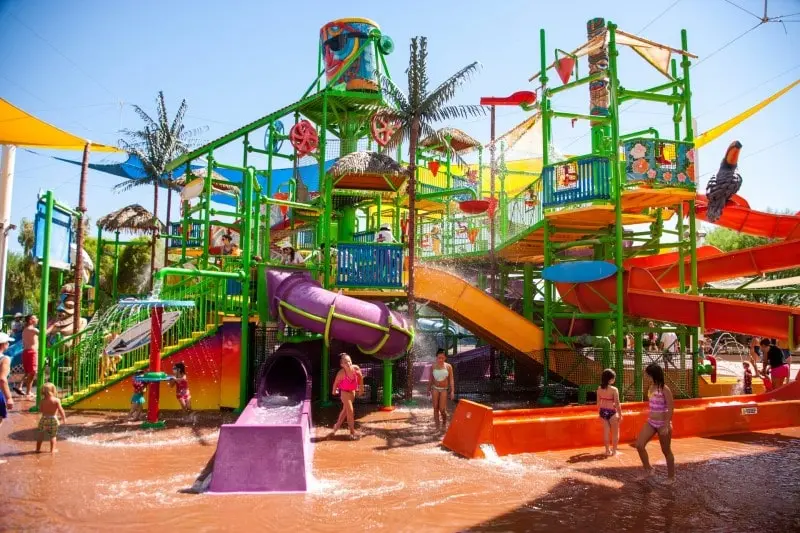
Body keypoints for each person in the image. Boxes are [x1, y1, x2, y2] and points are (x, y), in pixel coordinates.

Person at [636, 363, 675, 482]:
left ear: (653, 375)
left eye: (648, 374)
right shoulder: (651, 387)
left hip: (663, 423)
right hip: (651, 422)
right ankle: (648, 469)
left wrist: (667, 424)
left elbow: (670, 407)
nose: (646, 376)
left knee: (666, 450)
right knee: (639, 445)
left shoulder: (664, 389)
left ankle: (671, 477)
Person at [328, 353, 363, 440]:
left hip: (352, 392)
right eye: (346, 362)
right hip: (344, 393)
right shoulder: (341, 373)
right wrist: (334, 390)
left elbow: (360, 378)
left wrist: (361, 388)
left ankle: (336, 427)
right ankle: (352, 432)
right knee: (350, 411)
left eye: (349, 361)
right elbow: (336, 383)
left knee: (345, 412)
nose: (348, 363)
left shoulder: (356, 368)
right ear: (342, 365)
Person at [427, 349, 455, 430]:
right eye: (439, 358)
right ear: (436, 357)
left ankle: (444, 421)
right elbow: (430, 379)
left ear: (445, 358)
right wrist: (428, 389)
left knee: (442, 409)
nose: (440, 360)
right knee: (435, 408)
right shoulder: (433, 366)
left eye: (442, 358)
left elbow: (451, 379)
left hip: (444, 389)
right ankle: (437, 427)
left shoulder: (448, 366)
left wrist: (452, 391)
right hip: (435, 388)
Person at [596, 368, 622, 456]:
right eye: (614, 378)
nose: (614, 380)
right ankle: (614, 451)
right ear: (610, 379)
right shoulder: (614, 389)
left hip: (603, 412)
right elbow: (617, 404)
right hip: (612, 412)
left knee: (606, 432)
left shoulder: (599, 389)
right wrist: (620, 415)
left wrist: (599, 413)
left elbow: (598, 402)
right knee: (615, 432)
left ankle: (607, 451)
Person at [36, 382, 66, 454]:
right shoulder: (56, 400)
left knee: (40, 435)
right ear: (53, 391)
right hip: (53, 419)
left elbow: (40, 410)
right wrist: (64, 418)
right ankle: (52, 450)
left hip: (44, 419)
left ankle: (37, 449)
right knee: (53, 436)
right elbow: (61, 410)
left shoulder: (42, 401)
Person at [21, 314, 40, 399]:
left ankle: (24, 389)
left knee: (29, 372)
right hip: (32, 352)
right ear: (30, 321)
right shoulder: (33, 329)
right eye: (35, 318)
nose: (37, 319)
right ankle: (28, 392)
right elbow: (44, 334)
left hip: (26, 351)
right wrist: (53, 326)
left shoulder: (25, 329)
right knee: (32, 372)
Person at [0, 332, 14, 428]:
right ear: (3, 344)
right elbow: (2, 379)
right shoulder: (4, 359)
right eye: (8, 342)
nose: (9, 344)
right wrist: (9, 398)